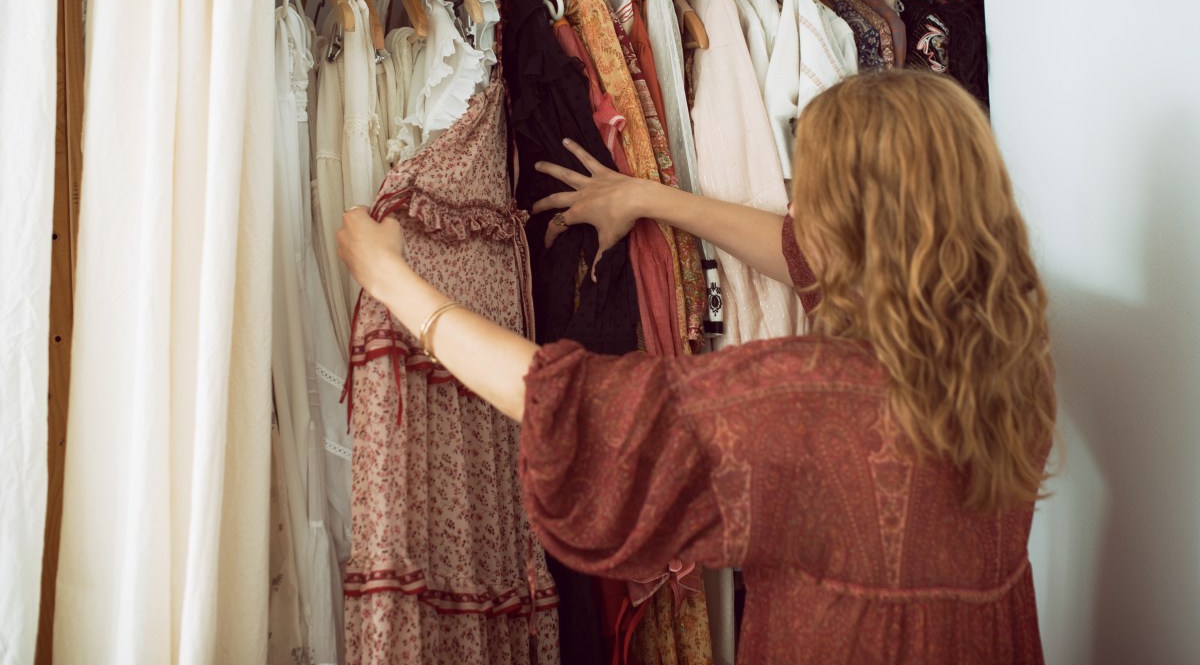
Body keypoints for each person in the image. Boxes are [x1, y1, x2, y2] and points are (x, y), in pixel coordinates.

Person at [336, 69, 1055, 664]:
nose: (797, 206)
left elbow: (573, 404)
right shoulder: (1011, 359)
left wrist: (393, 280)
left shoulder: (807, 400)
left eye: (812, 193)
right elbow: (802, 248)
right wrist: (650, 197)